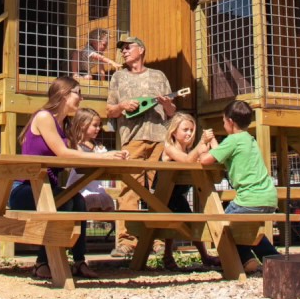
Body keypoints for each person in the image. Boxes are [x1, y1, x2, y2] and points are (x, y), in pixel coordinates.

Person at [11, 76, 128, 279]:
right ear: (65, 94)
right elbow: (63, 153)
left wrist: (111, 156)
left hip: (48, 190)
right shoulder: (44, 117)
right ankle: (43, 263)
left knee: (78, 202)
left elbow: (76, 156)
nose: (81, 98)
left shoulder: (64, 125)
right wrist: (103, 156)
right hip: (25, 190)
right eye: (78, 93)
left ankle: (79, 262)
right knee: (65, 204)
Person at [105, 34, 177, 257]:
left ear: (141, 50)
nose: (124, 51)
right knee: (129, 188)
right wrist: (122, 106)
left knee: (158, 189)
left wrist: (167, 104)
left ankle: (157, 240)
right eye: (122, 48)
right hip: (132, 139)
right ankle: (127, 241)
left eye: (129, 47)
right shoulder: (118, 77)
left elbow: (172, 112)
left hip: (159, 138)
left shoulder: (159, 76)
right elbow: (109, 111)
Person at [198, 99, 279, 274]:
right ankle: (274, 259)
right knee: (246, 229)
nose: (223, 124)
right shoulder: (248, 139)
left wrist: (203, 146)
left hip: (249, 199)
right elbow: (223, 153)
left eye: (223, 121)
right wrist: (213, 143)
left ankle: (245, 259)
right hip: (268, 196)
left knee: (223, 226)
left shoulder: (233, 140)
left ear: (230, 122)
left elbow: (205, 160)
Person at [160, 113, 222, 269]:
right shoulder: (169, 148)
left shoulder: (189, 151)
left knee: (190, 219)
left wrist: (209, 142)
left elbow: (210, 156)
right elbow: (187, 161)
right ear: (174, 132)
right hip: (162, 195)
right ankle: (174, 256)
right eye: (185, 129)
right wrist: (200, 143)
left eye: (191, 130)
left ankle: (172, 256)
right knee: (188, 221)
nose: (189, 133)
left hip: (177, 195)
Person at [64, 107, 117, 212]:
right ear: (82, 125)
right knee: (86, 203)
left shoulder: (97, 146)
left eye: (99, 125)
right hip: (80, 186)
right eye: (95, 125)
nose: (98, 128)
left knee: (107, 203)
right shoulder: (75, 145)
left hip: (95, 185)